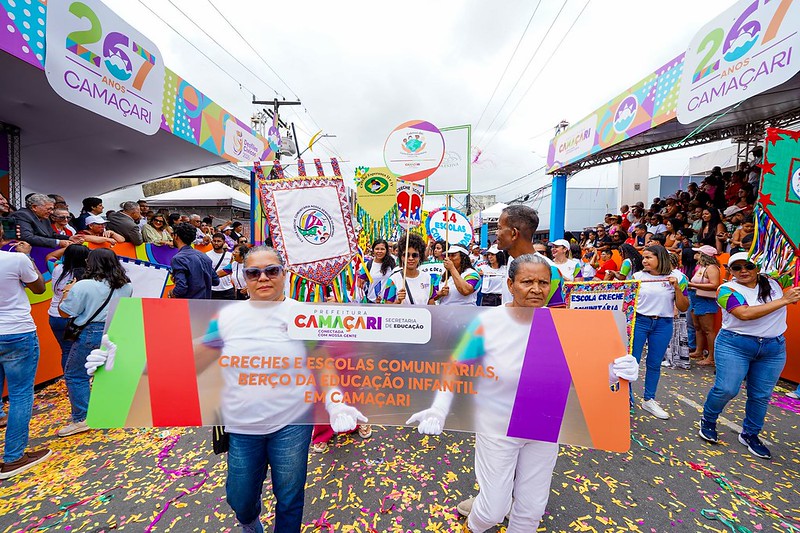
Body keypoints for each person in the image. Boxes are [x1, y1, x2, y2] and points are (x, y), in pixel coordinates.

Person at [89, 246, 366, 531]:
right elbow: (193, 361)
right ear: (243, 277)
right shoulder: (227, 317)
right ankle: (250, 523)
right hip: (243, 425)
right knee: (240, 499)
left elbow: (321, 362)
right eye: (253, 272)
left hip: (292, 423)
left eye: (271, 270)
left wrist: (335, 402)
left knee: (290, 495)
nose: (263, 278)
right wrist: (124, 364)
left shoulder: (302, 315)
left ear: (284, 274)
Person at [407, 254, 639, 532]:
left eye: (543, 282)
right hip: (497, 426)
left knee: (531, 510)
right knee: (493, 509)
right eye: (527, 281)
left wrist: (616, 372)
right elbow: (457, 367)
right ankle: (474, 525)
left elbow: (580, 373)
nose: (536, 289)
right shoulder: (488, 322)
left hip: (544, 425)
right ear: (510, 284)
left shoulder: (564, 324)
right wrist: (438, 408)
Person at [698, 252, 800, 459]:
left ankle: (750, 434)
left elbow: (793, 271)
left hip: (773, 348)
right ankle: (708, 420)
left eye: (749, 266)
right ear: (730, 271)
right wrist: (784, 300)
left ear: (758, 267)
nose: (743, 271)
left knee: (761, 395)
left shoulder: (775, 282)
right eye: (737, 267)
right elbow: (744, 314)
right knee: (727, 388)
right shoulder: (726, 290)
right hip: (735, 344)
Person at [57, 248, 133, 437]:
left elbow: (65, 312)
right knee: (108, 372)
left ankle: (82, 418)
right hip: (115, 331)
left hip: (91, 332)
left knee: (76, 375)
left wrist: (66, 293)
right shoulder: (126, 286)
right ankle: (113, 408)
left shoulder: (83, 286)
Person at [0, 232, 50, 480]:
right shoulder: (15, 260)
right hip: (16, 332)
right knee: (20, 394)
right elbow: (39, 288)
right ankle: (13, 457)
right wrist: (26, 257)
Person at [631, 245, 689, 419]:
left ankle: (649, 399)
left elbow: (683, 306)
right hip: (639, 322)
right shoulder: (637, 276)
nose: (644, 261)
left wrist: (677, 288)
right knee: (631, 362)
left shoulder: (679, 277)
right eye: (644, 257)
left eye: (649, 257)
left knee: (654, 363)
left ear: (661, 258)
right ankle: (627, 399)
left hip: (663, 323)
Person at [495, 205, 564, 308]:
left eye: (499, 228)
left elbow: (557, 315)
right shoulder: (511, 260)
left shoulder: (549, 269)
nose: (496, 233)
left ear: (514, 233)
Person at [48, 244, 90, 372]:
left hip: (55, 316)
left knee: (66, 350)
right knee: (81, 352)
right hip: (76, 318)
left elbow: (50, 257)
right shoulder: (87, 274)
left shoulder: (57, 268)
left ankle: (68, 380)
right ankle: (80, 380)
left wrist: (68, 246)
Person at [688, 245, 722, 366]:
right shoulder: (702, 267)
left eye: (698, 253)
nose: (696, 255)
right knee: (697, 327)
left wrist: (693, 285)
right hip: (696, 298)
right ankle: (699, 351)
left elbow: (714, 284)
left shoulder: (712, 268)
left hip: (705, 300)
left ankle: (711, 357)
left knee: (708, 330)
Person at [383, 233, 440, 305]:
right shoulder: (393, 280)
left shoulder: (428, 278)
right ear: (401, 257)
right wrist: (398, 301)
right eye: (406, 255)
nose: (410, 258)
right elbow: (387, 310)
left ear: (420, 256)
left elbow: (431, 306)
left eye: (414, 255)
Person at [169, 223, 220, 299]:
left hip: (188, 306)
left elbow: (181, 288)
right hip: (205, 305)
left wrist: (172, 293)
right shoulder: (204, 256)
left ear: (176, 236)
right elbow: (216, 281)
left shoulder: (178, 258)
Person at [11, 193, 80, 249]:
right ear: (34, 207)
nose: (51, 212)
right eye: (49, 209)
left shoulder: (44, 217)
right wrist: (58, 242)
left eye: (52, 209)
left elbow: (52, 234)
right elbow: (27, 237)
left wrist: (70, 237)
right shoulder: (22, 215)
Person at [359, 239, 396, 303]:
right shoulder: (367, 265)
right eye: (377, 249)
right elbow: (360, 285)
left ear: (386, 250)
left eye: (382, 249)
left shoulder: (392, 265)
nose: (379, 251)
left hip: (388, 303)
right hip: (371, 302)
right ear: (373, 250)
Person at [207, 233, 235, 300]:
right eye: (214, 241)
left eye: (219, 241)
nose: (216, 243)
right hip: (212, 289)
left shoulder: (230, 255)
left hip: (228, 289)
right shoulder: (206, 255)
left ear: (224, 242)